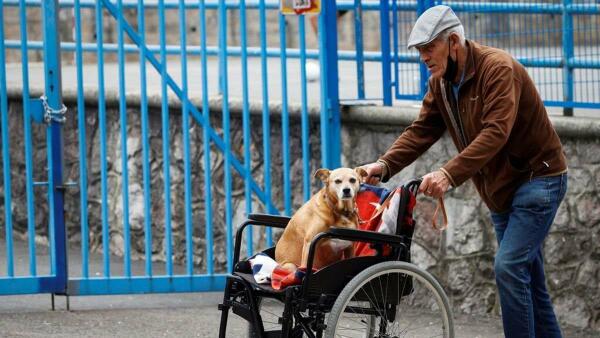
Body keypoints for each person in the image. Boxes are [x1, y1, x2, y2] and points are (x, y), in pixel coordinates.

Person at [362, 5, 567, 338]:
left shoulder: (497, 69)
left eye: (429, 48)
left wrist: (447, 174)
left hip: (537, 179)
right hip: (500, 189)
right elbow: (422, 130)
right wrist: (383, 165)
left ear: (453, 41)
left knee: (510, 268)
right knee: (529, 279)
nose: (424, 57)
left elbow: (495, 131)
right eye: (419, 51)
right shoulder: (440, 82)